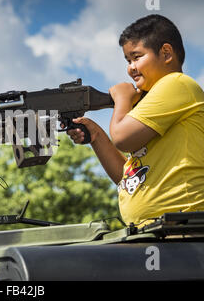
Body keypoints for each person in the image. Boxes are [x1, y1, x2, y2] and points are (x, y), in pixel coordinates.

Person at [67, 14, 204, 227]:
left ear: (166, 53)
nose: (131, 67)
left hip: (183, 227)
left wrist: (122, 99)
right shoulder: (156, 99)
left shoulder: (177, 84)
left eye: (137, 57)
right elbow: (128, 179)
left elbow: (122, 138)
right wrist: (96, 135)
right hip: (154, 229)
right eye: (128, 60)